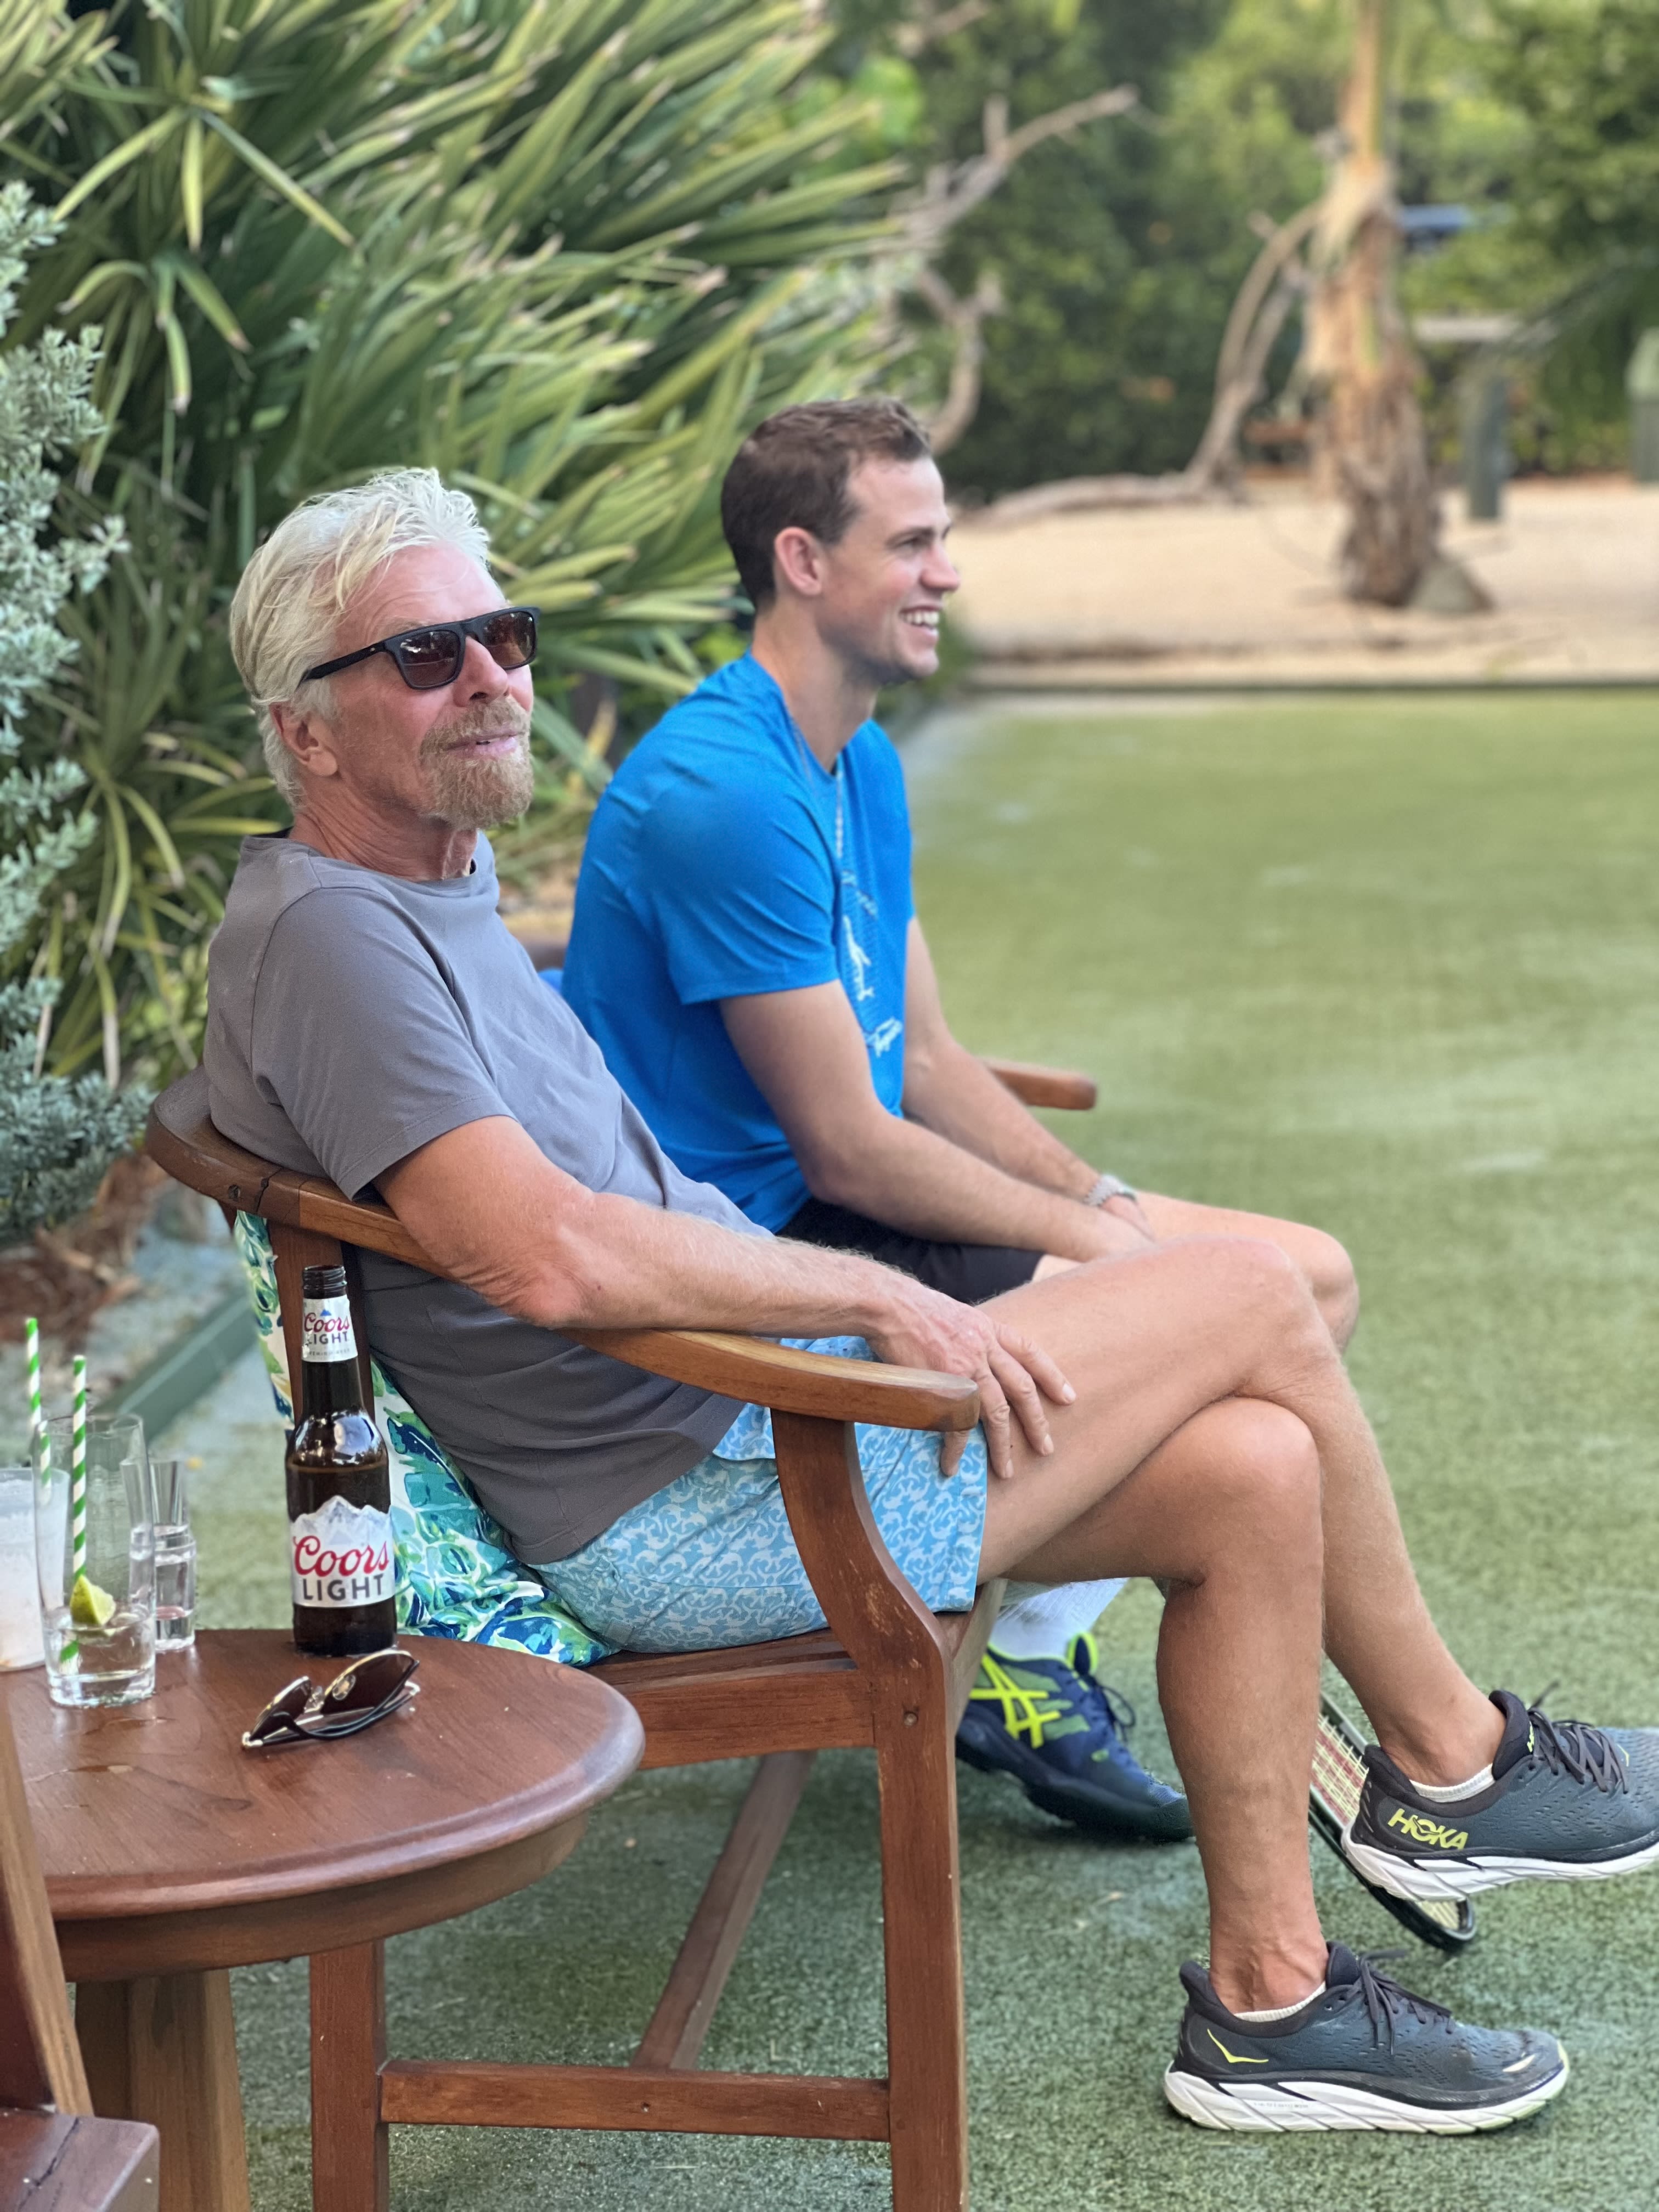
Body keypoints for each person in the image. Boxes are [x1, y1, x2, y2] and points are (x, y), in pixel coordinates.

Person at [207, 466, 1659, 2134]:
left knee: (1259, 1467)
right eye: (427, 655)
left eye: (505, 636)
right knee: (1256, 1292)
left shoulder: (427, 895)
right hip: (694, 1502)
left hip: (751, 1417)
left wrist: (860, 1307)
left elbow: (693, 1178)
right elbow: (547, 1254)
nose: (492, 679)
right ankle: (1451, 1770)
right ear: (306, 727)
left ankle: (1272, 2005)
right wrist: (877, 1304)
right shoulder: (330, 940)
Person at [562, 399, 1353, 1843]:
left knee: (1316, 1275)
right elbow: (846, 1146)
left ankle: (1028, 1651)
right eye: (912, 541)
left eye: (947, 536)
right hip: (774, 1256)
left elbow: (919, 1054)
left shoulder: (854, 759)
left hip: (861, 1205)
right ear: (803, 560)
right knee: (1228, 1319)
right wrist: (1093, 1246)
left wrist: (1096, 1195)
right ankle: (1054, 1661)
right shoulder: (724, 792)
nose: (948, 572)